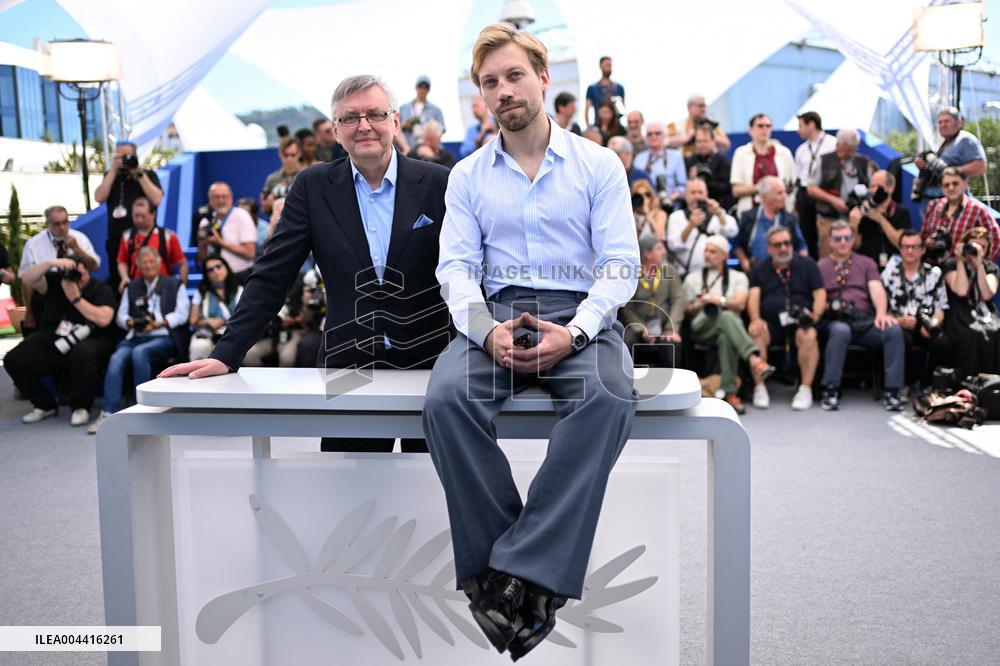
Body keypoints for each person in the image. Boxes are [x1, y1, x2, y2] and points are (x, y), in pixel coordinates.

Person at [425, 24, 639, 659]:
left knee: (608, 395)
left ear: (545, 79)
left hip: (579, 313)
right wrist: (487, 329)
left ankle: (509, 577)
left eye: (514, 75)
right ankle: (517, 579)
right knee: (445, 401)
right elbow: (454, 270)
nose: (503, 90)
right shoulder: (465, 176)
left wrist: (575, 331)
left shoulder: (599, 164)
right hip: (498, 315)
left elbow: (621, 266)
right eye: (490, 82)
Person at [161, 74, 452, 455]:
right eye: (350, 118)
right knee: (349, 494)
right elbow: (271, 274)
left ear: (395, 122)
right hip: (350, 370)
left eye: (375, 114)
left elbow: (466, 274)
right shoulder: (312, 187)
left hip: (430, 366)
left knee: (432, 490)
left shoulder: (441, 182)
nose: (364, 125)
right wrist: (224, 353)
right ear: (335, 130)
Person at [4, 254, 116, 427]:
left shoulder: (99, 288)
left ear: (88, 272)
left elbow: (104, 319)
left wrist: (75, 298)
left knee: (82, 353)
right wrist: (51, 263)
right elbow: (26, 279)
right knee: (13, 359)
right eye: (73, 274)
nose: (78, 278)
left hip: (92, 339)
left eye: (81, 274)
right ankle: (44, 404)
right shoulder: (56, 281)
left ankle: (80, 407)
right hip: (54, 337)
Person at [89, 247, 190, 434]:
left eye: (152, 261)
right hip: (136, 336)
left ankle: (141, 410)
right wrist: (130, 322)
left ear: (159, 263)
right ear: (138, 266)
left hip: (163, 337)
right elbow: (121, 316)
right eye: (144, 263)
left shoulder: (174, 284)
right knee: (116, 358)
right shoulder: (132, 287)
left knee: (139, 353)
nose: (148, 265)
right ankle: (108, 411)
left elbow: (182, 314)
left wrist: (159, 324)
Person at [817, 220, 905, 411]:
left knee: (893, 329)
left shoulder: (866, 263)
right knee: (840, 331)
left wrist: (881, 314)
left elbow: (877, 290)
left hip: (865, 319)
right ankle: (830, 390)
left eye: (847, 238)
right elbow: (818, 297)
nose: (843, 242)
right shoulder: (821, 266)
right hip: (836, 321)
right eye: (838, 238)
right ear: (830, 241)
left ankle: (893, 391)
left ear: (853, 240)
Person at [683, 235, 774, 414]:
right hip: (702, 327)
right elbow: (686, 309)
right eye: (706, 251)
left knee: (726, 332)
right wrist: (700, 304)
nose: (707, 255)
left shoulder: (738, 277)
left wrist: (718, 300)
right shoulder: (692, 278)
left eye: (713, 251)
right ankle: (754, 358)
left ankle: (730, 393)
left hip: (728, 330)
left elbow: (740, 304)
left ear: (725, 255)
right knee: (727, 318)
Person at [746, 226, 826, 411]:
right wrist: (756, 318)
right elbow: (754, 296)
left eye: (787, 243)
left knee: (808, 334)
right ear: (769, 248)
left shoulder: (808, 264)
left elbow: (820, 294)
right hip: (771, 324)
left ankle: (805, 389)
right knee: (756, 331)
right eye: (778, 244)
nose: (783, 248)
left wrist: (815, 315)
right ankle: (760, 387)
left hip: (801, 322)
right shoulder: (760, 267)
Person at [881, 230, 949, 390]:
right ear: (900, 249)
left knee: (943, 342)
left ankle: (928, 385)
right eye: (905, 247)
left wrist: (931, 324)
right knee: (901, 338)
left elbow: (941, 308)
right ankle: (903, 384)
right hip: (898, 324)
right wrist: (898, 321)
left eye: (914, 247)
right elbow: (880, 308)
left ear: (922, 250)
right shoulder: (889, 273)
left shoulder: (934, 273)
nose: (909, 251)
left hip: (925, 323)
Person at [17, 205, 101, 334]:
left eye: (65, 222)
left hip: (75, 296)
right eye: (57, 224)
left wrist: (77, 249)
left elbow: (94, 266)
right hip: (46, 298)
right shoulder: (34, 244)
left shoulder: (79, 238)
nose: (62, 227)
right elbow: (26, 280)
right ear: (47, 223)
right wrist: (29, 311)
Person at [94, 141, 163, 293]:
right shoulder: (111, 176)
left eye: (127, 156)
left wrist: (138, 173)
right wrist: (112, 171)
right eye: (119, 156)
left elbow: (157, 198)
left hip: (144, 237)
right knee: (118, 280)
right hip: (117, 238)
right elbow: (99, 197)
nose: (124, 160)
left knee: (146, 275)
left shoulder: (147, 175)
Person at [940, 226, 999, 380]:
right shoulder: (951, 264)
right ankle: (969, 381)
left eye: (982, 247)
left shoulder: (990, 267)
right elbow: (960, 290)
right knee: (974, 334)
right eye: (973, 245)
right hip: (959, 312)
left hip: (985, 312)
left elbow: (987, 295)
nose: (976, 250)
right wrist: (961, 261)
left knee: (995, 331)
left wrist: (979, 265)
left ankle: (992, 382)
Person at [807, 128, 873, 258]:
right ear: (838, 144)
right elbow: (811, 189)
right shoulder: (824, 160)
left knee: (855, 256)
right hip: (829, 218)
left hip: (855, 217)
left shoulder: (862, 162)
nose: (849, 153)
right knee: (828, 256)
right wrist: (833, 200)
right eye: (846, 149)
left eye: (853, 150)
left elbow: (871, 188)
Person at [620, 234, 684, 368]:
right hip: (639, 325)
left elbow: (678, 300)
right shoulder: (633, 274)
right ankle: (628, 381)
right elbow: (627, 308)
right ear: (647, 254)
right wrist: (641, 327)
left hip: (664, 323)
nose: (664, 251)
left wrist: (671, 327)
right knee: (627, 340)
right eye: (659, 248)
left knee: (672, 343)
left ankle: (672, 386)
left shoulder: (669, 270)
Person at [915, 107, 988, 215]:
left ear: (959, 123)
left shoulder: (965, 139)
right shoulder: (947, 142)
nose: (943, 124)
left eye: (947, 121)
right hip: (934, 200)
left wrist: (950, 172)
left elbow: (980, 166)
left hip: (952, 200)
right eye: (940, 122)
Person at [921, 167, 1000, 263]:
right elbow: (923, 235)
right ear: (941, 188)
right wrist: (928, 242)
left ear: (965, 184)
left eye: (955, 183)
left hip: (964, 271)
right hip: (934, 267)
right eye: (946, 185)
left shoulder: (978, 210)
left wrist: (981, 265)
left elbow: (996, 240)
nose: (951, 188)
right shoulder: (933, 206)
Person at [666, 177, 738, 278]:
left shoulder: (716, 213)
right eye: (693, 192)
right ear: (686, 195)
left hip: (715, 274)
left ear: (706, 194)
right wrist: (690, 225)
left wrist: (719, 213)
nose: (697, 196)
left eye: (700, 192)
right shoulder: (676, 216)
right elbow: (673, 245)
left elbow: (732, 231)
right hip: (686, 274)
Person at [733, 176, 808, 272]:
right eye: (780, 193)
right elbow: (736, 245)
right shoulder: (748, 217)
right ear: (764, 197)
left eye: (784, 192)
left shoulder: (789, 219)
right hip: (754, 269)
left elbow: (802, 247)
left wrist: (799, 267)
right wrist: (743, 260)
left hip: (783, 268)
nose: (784, 196)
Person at [116, 197, 188, 288]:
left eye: (143, 216)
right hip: (137, 286)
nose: (139, 220)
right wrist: (124, 278)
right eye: (136, 216)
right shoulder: (126, 236)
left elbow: (182, 263)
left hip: (164, 286)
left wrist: (182, 287)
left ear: (153, 214)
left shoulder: (169, 236)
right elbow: (122, 262)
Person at [730, 113, 794, 216]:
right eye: (760, 126)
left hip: (780, 213)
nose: (764, 129)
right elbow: (736, 190)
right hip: (750, 213)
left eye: (768, 126)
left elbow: (792, 186)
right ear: (750, 131)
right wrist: (765, 188)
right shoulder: (741, 153)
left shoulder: (784, 153)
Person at [793, 111, 837, 258]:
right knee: (807, 234)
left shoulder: (833, 144)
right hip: (804, 193)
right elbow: (796, 176)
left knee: (826, 232)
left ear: (811, 124)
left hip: (825, 193)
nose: (798, 130)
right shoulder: (801, 150)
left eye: (800, 126)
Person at [847, 170, 910, 269]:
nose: (873, 190)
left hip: (893, 268)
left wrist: (881, 219)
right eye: (871, 186)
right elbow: (854, 246)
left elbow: (901, 243)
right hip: (865, 266)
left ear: (890, 188)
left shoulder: (901, 212)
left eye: (878, 186)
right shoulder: (862, 210)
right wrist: (853, 225)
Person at [195, 181, 258, 279]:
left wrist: (220, 243)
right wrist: (202, 245)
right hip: (214, 278)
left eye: (224, 196)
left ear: (231, 198)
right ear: (210, 200)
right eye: (216, 197)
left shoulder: (242, 216)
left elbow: (250, 253)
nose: (221, 200)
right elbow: (201, 260)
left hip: (240, 275)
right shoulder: (205, 221)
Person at [188, 254, 242, 361]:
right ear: (206, 274)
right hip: (208, 333)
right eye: (210, 270)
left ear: (226, 267)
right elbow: (193, 320)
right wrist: (208, 321)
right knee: (200, 346)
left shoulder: (240, 290)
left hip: (235, 334)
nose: (215, 272)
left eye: (218, 267)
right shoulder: (201, 292)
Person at [635, 121, 687, 209]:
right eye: (650, 134)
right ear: (646, 138)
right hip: (646, 207)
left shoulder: (676, 156)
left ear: (664, 136)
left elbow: (683, 186)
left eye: (657, 133)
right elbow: (635, 185)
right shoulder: (639, 158)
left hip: (670, 206)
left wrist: (670, 198)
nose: (653, 137)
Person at [685, 125, 734, 211]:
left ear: (713, 141)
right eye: (699, 141)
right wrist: (692, 180)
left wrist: (708, 183)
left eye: (705, 141)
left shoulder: (722, 161)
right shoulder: (690, 161)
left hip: (719, 205)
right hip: (695, 207)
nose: (702, 145)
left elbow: (728, 187)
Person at [260, 136, 304, 215]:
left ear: (299, 154)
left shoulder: (307, 175)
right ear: (280, 154)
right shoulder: (272, 179)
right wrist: (270, 202)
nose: (289, 159)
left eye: (292, 155)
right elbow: (264, 208)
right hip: (279, 222)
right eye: (285, 155)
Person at [399, 75, 446, 147]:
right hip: (407, 150)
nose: (423, 90)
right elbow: (394, 128)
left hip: (429, 150)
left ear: (429, 90)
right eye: (420, 86)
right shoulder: (403, 109)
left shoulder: (436, 110)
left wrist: (430, 129)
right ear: (416, 87)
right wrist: (404, 125)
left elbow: (442, 130)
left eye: (426, 87)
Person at [584, 55, 624, 126]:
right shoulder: (592, 88)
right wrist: (589, 127)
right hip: (598, 125)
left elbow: (622, 109)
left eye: (610, 65)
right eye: (607, 65)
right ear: (601, 66)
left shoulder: (619, 88)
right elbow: (587, 109)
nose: (609, 68)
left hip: (616, 127)